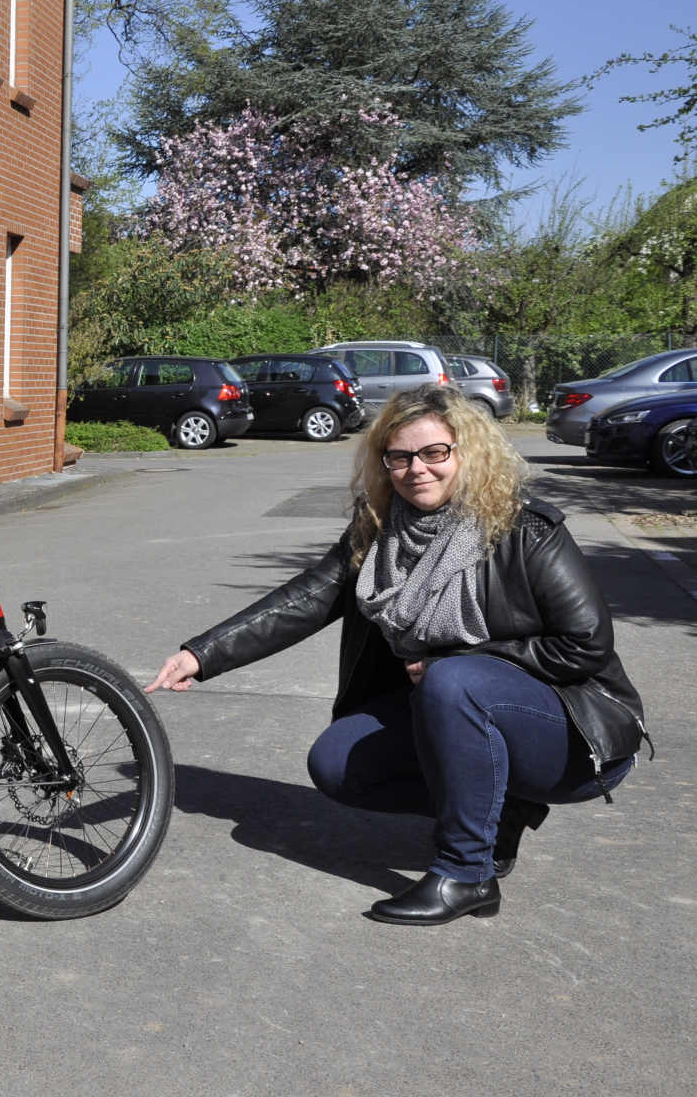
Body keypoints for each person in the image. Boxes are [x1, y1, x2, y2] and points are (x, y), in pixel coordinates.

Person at [146, 386, 647, 926]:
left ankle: (466, 873)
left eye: (435, 453)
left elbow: (584, 645)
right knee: (339, 765)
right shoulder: (379, 530)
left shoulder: (523, 530)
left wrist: (457, 665)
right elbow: (309, 597)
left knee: (455, 680)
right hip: (457, 705)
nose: (417, 469)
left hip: (570, 731)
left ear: (466, 452)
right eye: (401, 456)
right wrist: (203, 654)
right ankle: (499, 813)